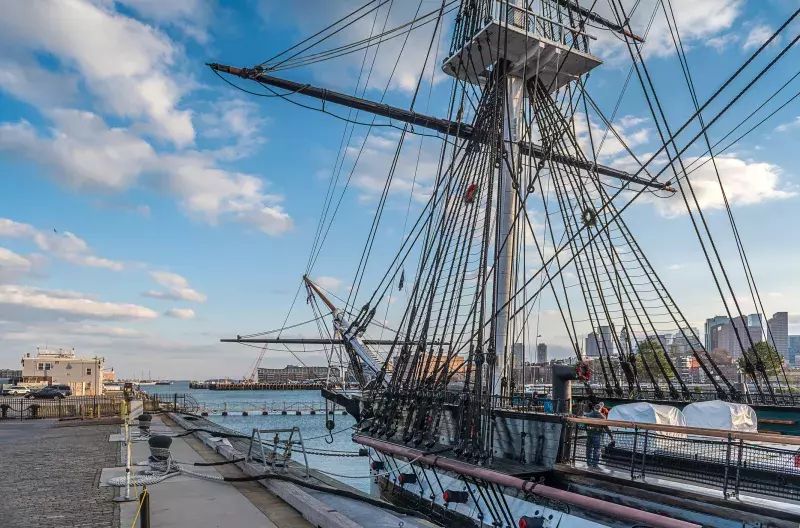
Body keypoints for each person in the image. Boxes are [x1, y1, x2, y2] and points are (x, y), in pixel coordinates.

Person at [584, 403, 610, 467]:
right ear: (600, 409)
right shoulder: (602, 417)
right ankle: (595, 463)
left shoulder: (588, 415)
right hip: (597, 434)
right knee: (597, 449)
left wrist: (587, 431)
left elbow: (585, 425)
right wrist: (611, 436)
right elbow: (606, 427)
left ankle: (588, 462)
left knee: (589, 448)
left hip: (589, 434)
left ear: (594, 408)